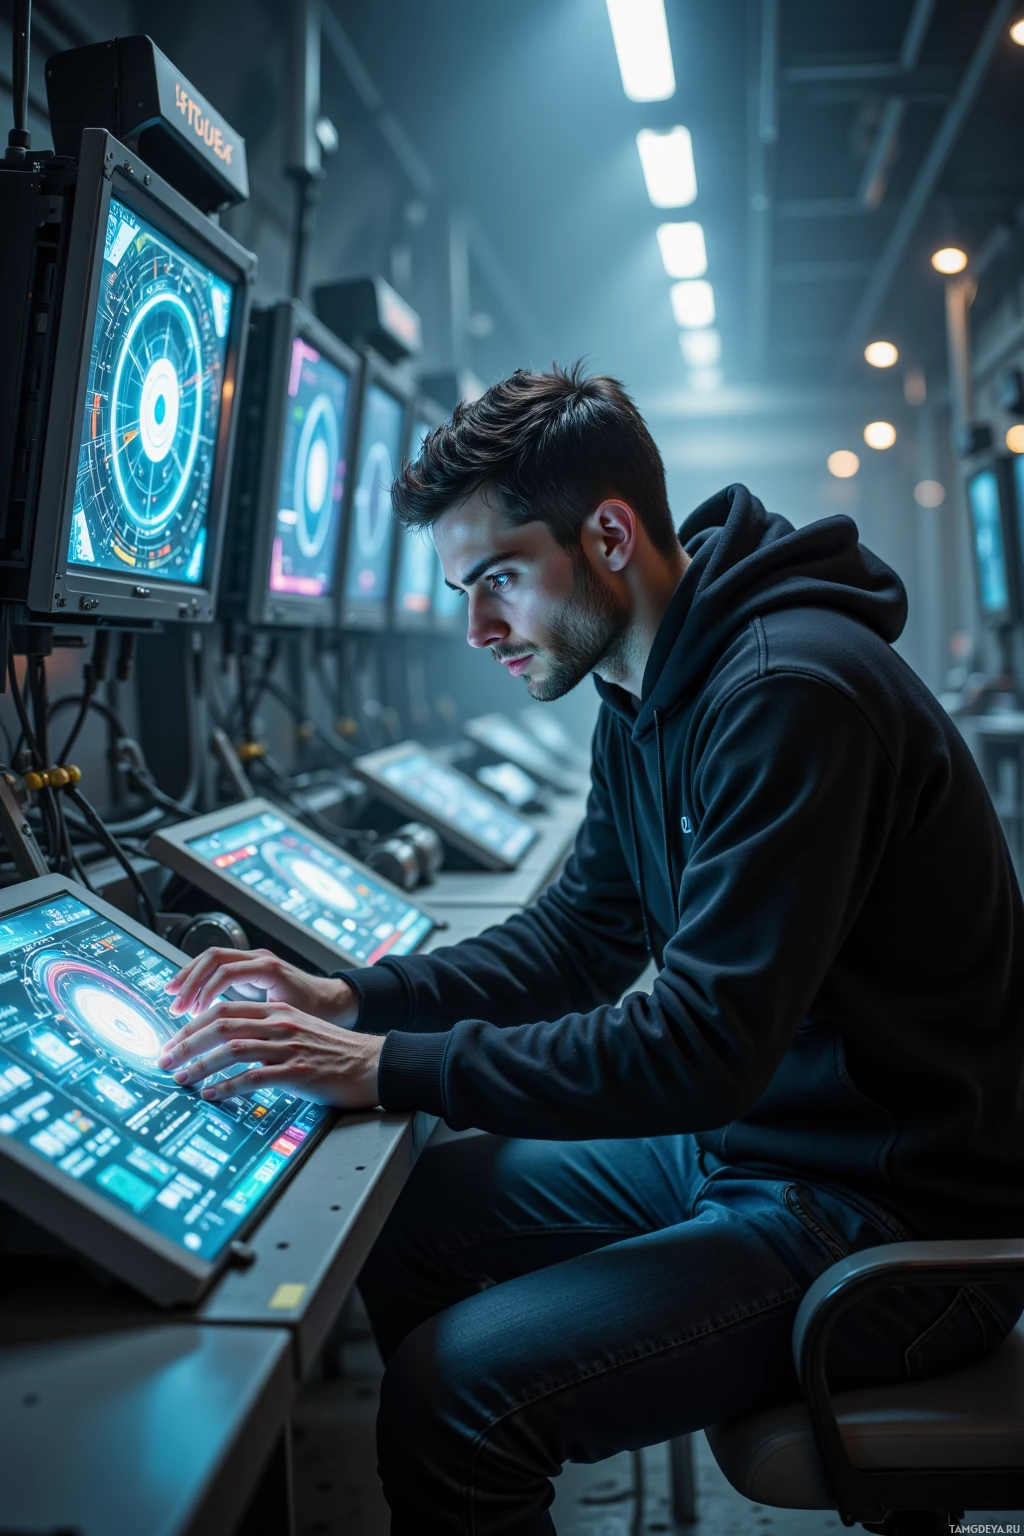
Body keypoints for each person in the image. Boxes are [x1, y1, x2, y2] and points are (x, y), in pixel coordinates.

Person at [160, 364, 1024, 1535]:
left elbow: (694, 1049)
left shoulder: (788, 693)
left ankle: (486, 1445)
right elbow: (577, 940)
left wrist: (382, 1069)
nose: (477, 629)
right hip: (754, 1153)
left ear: (608, 534)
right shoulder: (646, 685)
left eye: (498, 581)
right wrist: (351, 997)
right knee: (414, 1222)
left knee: (452, 1402)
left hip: (887, 1219)